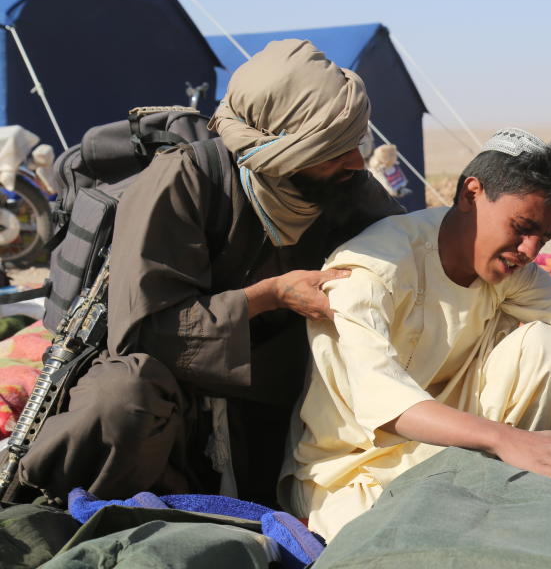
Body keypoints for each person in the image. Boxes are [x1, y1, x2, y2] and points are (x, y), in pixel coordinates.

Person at [280, 128, 551, 541]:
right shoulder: (373, 266)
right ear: (471, 193)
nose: (531, 251)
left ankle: (502, 489)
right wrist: (510, 440)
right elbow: (383, 399)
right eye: (523, 228)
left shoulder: (508, 267)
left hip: (454, 453)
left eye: (543, 237)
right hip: (355, 472)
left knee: (548, 346)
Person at [18, 39, 404, 507]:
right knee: (123, 397)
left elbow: (408, 252)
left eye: (354, 144)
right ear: (278, 151)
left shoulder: (347, 189)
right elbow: (144, 333)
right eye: (333, 149)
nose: (356, 163)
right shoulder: (183, 180)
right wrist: (270, 295)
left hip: (275, 400)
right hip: (169, 407)